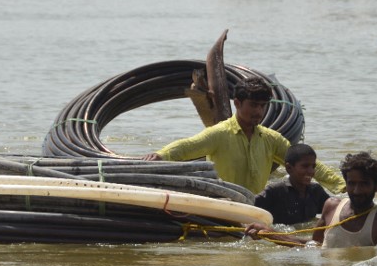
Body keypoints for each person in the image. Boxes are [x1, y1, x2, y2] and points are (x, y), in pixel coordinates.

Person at [143, 77, 345, 197]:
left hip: (256, 205)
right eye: (254, 105)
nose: (259, 111)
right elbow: (188, 146)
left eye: (263, 106)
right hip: (225, 203)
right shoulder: (220, 133)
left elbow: (306, 163)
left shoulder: (271, 139)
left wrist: (342, 186)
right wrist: (160, 156)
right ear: (238, 103)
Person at [246, 151, 377, 251]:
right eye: (351, 184)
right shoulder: (331, 206)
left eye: (364, 184)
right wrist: (271, 234)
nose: (357, 191)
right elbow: (313, 246)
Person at [254, 143, 331, 224]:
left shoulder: (316, 191)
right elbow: (248, 209)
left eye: (313, 166)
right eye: (305, 166)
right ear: (289, 168)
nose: (311, 171)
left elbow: (334, 210)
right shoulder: (275, 191)